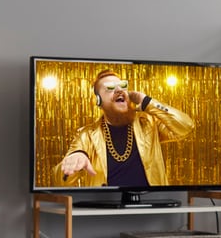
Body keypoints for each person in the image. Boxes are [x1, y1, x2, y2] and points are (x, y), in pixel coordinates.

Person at [56, 69, 194, 187]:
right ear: (98, 101)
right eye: (110, 88)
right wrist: (77, 155)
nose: (119, 90)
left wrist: (148, 102)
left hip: (152, 204)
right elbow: (60, 181)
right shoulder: (87, 135)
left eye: (123, 85)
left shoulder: (148, 123)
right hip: (106, 208)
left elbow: (185, 127)